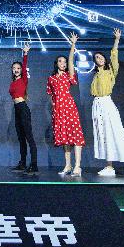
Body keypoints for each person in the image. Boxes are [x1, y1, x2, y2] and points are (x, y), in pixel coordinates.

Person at [90, 29, 124, 178]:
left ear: (104, 59)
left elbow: (114, 55)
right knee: (104, 136)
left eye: (101, 57)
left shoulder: (111, 71)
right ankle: (109, 166)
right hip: (97, 105)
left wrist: (116, 40)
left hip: (107, 103)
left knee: (117, 133)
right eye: (96, 57)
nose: (99, 58)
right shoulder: (96, 75)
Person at [46, 32, 85, 177]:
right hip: (58, 109)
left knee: (75, 135)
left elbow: (71, 61)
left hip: (69, 106)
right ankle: (68, 165)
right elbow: (50, 94)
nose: (63, 63)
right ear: (56, 63)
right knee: (64, 138)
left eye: (64, 62)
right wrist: (54, 107)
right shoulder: (51, 78)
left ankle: (78, 166)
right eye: (60, 61)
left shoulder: (69, 75)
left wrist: (73, 44)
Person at [8, 42, 38, 175]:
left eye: (18, 68)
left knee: (29, 137)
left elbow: (25, 65)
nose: (16, 70)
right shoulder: (13, 82)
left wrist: (25, 53)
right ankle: (22, 163)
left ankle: (34, 164)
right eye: (14, 68)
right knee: (21, 138)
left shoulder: (24, 79)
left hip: (23, 108)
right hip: (16, 109)